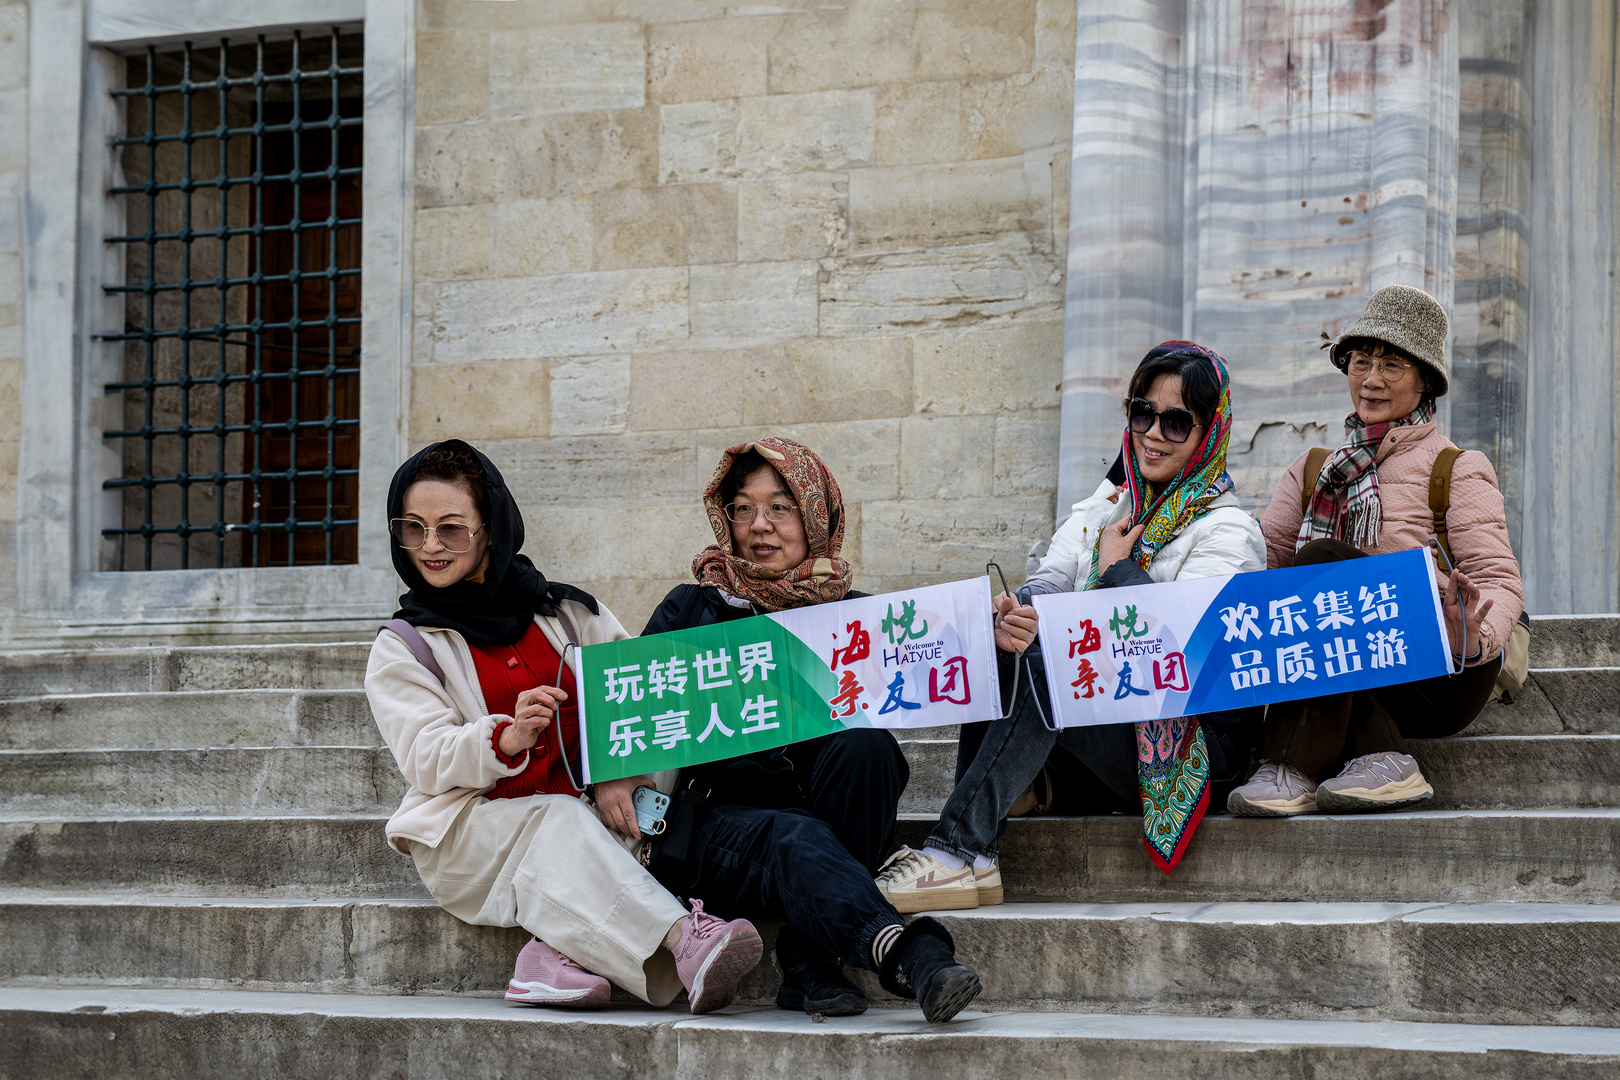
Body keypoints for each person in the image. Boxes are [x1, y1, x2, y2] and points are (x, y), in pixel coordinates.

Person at [634, 437, 1037, 1023]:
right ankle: (906, 956)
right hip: (717, 830)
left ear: (816, 514)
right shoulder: (691, 610)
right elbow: (635, 716)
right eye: (743, 508)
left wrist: (988, 640)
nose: (759, 526)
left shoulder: (852, 617)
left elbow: (934, 656)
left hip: (822, 819)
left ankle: (808, 956)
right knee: (793, 835)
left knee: (868, 748)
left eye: (781, 507)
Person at [365, 439, 762, 1014]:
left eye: (451, 528)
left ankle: (552, 957)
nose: (430, 546)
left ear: (491, 529)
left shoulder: (568, 613)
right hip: (472, 835)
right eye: (414, 528)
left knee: (665, 753)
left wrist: (617, 769)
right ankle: (685, 942)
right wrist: (505, 737)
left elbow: (644, 695)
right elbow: (425, 758)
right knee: (559, 816)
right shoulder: (403, 648)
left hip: (591, 814)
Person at [876, 342, 1267, 909]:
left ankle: (958, 850)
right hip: (1103, 726)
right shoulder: (1104, 507)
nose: (1153, 434)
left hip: (1189, 746)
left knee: (1056, 660)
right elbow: (1052, 581)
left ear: (1209, 432)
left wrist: (1117, 571)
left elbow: (1184, 651)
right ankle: (985, 842)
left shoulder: (1229, 532)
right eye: (1142, 413)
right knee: (1005, 644)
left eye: (1177, 422)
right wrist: (1013, 611)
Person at [1228, 285, 1524, 815]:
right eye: (1361, 361)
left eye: (1391, 364)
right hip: (1339, 664)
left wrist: (1470, 634)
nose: (1370, 379)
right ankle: (1384, 759)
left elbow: (1499, 581)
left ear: (1425, 380)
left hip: (1439, 667)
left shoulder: (1457, 468)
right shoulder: (1312, 470)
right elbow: (1264, 568)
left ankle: (1289, 765)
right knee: (1313, 584)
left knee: (1322, 560)